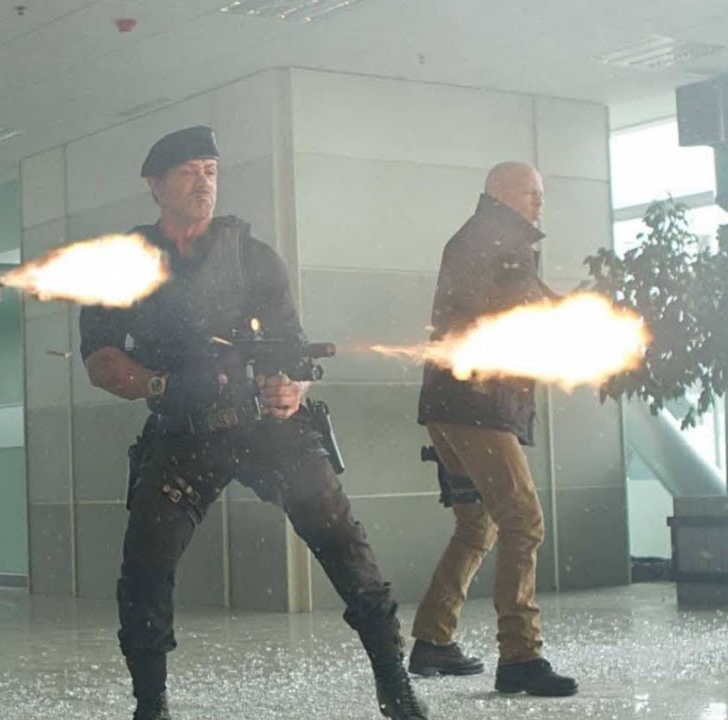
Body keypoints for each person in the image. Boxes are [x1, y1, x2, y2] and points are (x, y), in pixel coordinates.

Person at [79, 126, 428, 720]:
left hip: (269, 429)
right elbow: (100, 361)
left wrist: (292, 389)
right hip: (184, 430)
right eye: (189, 171)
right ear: (155, 185)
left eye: (211, 171)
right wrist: (161, 386)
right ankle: (150, 706)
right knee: (145, 567)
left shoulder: (252, 256)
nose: (203, 183)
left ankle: (395, 686)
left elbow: (296, 351)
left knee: (344, 542)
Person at [410, 162, 578, 697]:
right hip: (475, 406)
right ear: (501, 193)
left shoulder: (484, 238)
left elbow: (525, 301)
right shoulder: (496, 239)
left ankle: (433, 639)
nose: (539, 202)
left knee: (476, 523)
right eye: (532, 192)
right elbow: (511, 310)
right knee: (522, 520)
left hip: (450, 404)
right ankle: (520, 656)